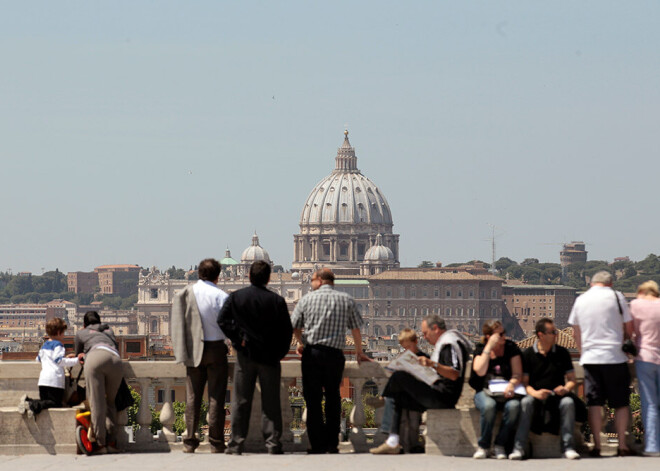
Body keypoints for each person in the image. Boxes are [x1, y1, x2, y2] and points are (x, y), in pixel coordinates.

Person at [291, 268, 370, 454]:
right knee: (334, 397)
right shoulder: (345, 299)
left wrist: (301, 343)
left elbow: (295, 326)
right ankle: (332, 443)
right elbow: (356, 329)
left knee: (313, 400)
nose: (311, 282)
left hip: (312, 354)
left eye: (312, 279)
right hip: (335, 354)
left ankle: (316, 444)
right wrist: (359, 352)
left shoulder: (307, 299)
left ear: (319, 280)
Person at [218, 261, 293, 455]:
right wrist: (280, 353)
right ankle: (273, 443)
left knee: (241, 401)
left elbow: (222, 321)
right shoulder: (277, 301)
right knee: (271, 402)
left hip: (245, 356)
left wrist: (238, 339)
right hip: (270, 357)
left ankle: (236, 443)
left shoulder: (237, 297)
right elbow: (286, 332)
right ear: (269, 278)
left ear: (249, 276)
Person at [370, 315, 471, 454]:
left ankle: (384, 399)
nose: (424, 337)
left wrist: (432, 364)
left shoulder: (449, 344)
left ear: (435, 328)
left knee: (399, 376)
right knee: (398, 395)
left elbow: (454, 373)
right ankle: (392, 441)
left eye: (425, 333)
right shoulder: (446, 343)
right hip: (439, 392)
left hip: (444, 395)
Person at [568, 270, 635, 457]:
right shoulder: (617, 297)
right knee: (621, 404)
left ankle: (597, 445)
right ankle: (622, 445)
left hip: (591, 358)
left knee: (595, 403)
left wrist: (583, 352)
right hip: (615, 357)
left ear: (592, 284)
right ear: (610, 284)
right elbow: (628, 328)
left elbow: (575, 331)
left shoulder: (581, 300)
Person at [171, 258, 229, 453]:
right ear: (218, 276)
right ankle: (216, 443)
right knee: (216, 397)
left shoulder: (186, 293)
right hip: (216, 349)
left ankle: (189, 441)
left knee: (192, 397)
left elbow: (178, 324)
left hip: (193, 349)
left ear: (198, 273)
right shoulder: (221, 296)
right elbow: (229, 325)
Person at [509, 318, 584, 460]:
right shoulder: (528, 354)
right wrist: (536, 393)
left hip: (557, 395)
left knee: (568, 403)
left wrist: (565, 389)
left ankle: (568, 447)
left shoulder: (562, 353)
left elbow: (572, 380)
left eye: (555, 332)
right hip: (535, 394)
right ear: (540, 335)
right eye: (552, 332)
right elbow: (524, 384)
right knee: (526, 403)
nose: (556, 335)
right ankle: (519, 447)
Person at [469, 320, 522, 459]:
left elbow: (517, 373)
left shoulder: (511, 348)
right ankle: (484, 446)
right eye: (500, 334)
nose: (504, 336)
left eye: (504, 333)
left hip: (506, 391)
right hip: (484, 392)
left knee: (514, 406)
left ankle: (500, 445)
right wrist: (489, 348)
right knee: (488, 406)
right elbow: (479, 371)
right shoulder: (480, 349)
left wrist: (512, 384)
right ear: (489, 336)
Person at [74, 311, 122, 454]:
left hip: (95, 358)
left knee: (97, 404)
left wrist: (81, 356)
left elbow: (78, 353)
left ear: (84, 324)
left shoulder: (81, 333)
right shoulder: (108, 330)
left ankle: (101, 444)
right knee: (111, 403)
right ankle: (112, 442)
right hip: (115, 360)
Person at [377, 328, 429, 453]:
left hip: (419, 396)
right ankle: (395, 440)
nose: (407, 351)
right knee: (395, 393)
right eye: (404, 348)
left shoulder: (425, 358)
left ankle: (392, 440)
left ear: (416, 342)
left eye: (409, 347)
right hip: (408, 395)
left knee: (393, 396)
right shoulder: (403, 358)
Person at [18, 317, 81, 418]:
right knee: (55, 403)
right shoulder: (58, 345)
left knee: (46, 402)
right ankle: (31, 404)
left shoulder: (45, 345)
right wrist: (77, 360)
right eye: (64, 333)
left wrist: (64, 357)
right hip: (54, 381)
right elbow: (59, 361)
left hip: (43, 380)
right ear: (59, 332)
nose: (64, 335)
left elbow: (38, 359)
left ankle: (29, 402)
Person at [630, 280, 660, 457]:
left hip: (645, 358)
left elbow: (630, 332)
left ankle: (652, 446)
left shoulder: (636, 305)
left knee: (649, 403)